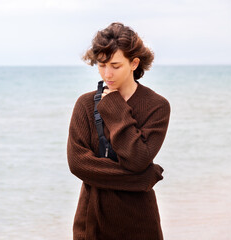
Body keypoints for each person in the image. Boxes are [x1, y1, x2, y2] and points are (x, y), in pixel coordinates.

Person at [67, 22, 171, 240]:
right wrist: (141, 179)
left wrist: (114, 107)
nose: (107, 74)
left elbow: (136, 159)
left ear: (134, 63)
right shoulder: (85, 105)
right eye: (101, 65)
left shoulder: (157, 106)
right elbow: (79, 164)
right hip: (92, 221)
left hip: (140, 223)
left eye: (115, 65)